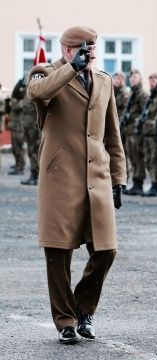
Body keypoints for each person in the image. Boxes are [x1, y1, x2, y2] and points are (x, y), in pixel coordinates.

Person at [27, 26, 126, 344]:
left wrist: (118, 178)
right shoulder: (47, 73)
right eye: (85, 50)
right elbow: (38, 94)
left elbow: (113, 135)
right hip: (60, 179)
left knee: (107, 250)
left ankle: (84, 309)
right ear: (68, 50)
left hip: (96, 179)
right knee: (58, 254)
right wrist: (71, 68)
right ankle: (65, 322)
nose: (91, 55)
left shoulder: (104, 81)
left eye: (94, 50)